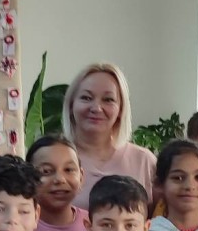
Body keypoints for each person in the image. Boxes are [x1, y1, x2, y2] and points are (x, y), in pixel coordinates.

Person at [63, 62, 156, 209]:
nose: (96, 108)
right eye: (86, 98)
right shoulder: (53, 159)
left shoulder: (144, 161)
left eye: (108, 100)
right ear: (71, 105)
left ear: (121, 109)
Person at [27, 134, 89, 231]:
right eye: (46, 171)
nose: (60, 179)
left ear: (81, 177)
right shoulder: (19, 229)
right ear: (28, 178)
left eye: (69, 170)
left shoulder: (95, 224)